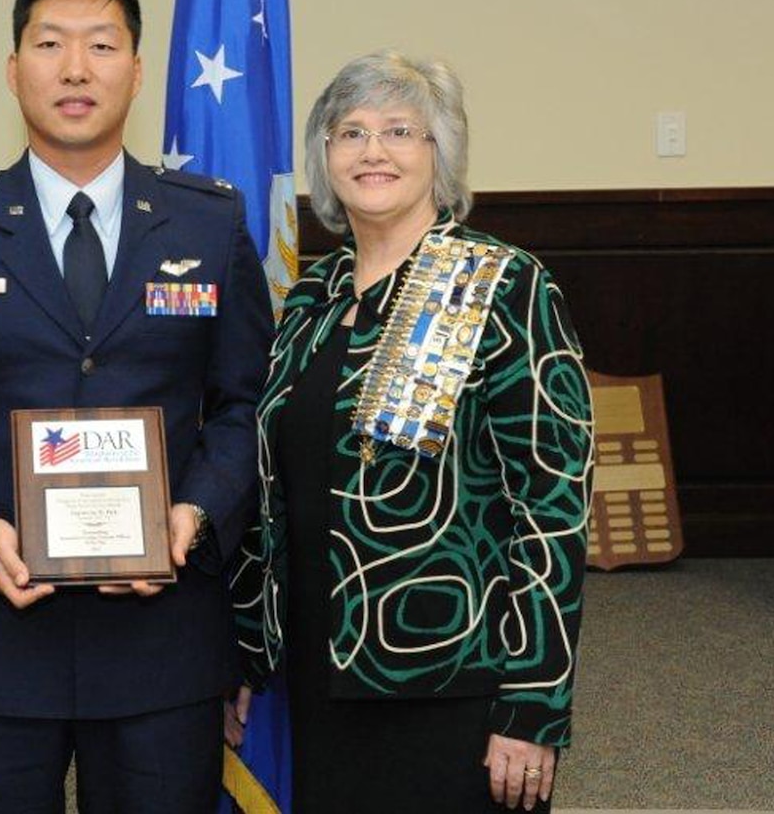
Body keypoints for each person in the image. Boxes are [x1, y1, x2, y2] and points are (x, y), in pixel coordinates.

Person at [0, 0, 271, 813]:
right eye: (50, 45)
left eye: (101, 45)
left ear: (135, 66)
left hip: (163, 637)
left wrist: (193, 516)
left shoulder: (209, 220)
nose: (76, 69)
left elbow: (244, 406)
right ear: (15, 71)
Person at [228, 51, 594, 812]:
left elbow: (553, 507)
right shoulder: (310, 299)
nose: (373, 151)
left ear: (440, 153)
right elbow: (272, 489)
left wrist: (534, 703)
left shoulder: (500, 282)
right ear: (324, 160)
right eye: (349, 131)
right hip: (317, 667)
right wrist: (246, 649)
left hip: (451, 675)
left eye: (401, 130)